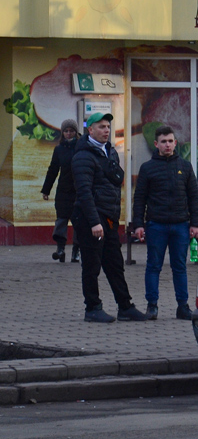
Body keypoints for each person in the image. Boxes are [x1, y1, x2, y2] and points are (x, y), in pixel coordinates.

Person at [71, 112, 148, 323]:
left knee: (115, 264)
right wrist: (95, 222)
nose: (106, 130)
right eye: (101, 127)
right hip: (91, 219)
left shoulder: (110, 152)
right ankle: (92, 308)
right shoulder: (82, 156)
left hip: (109, 218)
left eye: (108, 127)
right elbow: (84, 191)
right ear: (90, 130)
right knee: (92, 265)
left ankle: (125, 306)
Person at [132, 125, 198, 320]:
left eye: (170, 141)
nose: (168, 144)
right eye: (163, 141)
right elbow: (140, 198)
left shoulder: (185, 167)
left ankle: (183, 306)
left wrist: (195, 223)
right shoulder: (147, 168)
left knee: (179, 266)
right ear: (156, 144)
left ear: (175, 143)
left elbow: (193, 197)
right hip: (156, 225)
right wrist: (138, 224)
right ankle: (152, 306)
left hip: (180, 225)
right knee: (153, 266)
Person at [41, 119, 80, 263]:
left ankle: (76, 251)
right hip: (63, 190)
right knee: (61, 221)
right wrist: (46, 190)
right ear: (62, 133)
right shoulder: (59, 149)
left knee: (78, 221)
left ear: (76, 132)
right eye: (66, 131)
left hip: (78, 190)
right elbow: (53, 170)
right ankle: (60, 249)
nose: (69, 134)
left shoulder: (81, 147)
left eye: (71, 131)